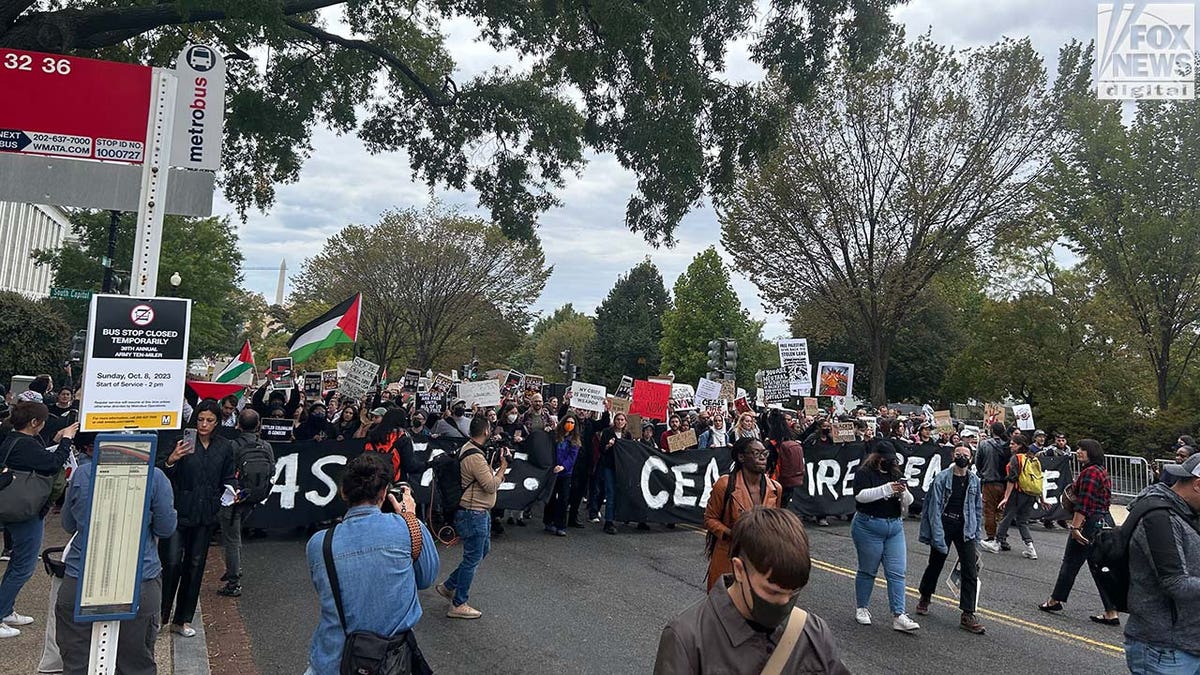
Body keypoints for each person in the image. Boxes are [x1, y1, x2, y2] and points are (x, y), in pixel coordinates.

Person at [654, 507, 851, 675]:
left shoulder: (814, 632)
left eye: (793, 593)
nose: (784, 603)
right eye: (772, 592)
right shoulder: (687, 637)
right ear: (739, 570)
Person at [304, 453, 438, 675]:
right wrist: (410, 516)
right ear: (385, 493)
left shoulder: (319, 544)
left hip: (334, 659)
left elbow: (324, 589)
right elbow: (427, 577)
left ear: (343, 492)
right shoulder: (408, 528)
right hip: (391, 661)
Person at [55, 436, 177, 673]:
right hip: (138, 577)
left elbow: (68, 524)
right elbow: (166, 528)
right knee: (135, 663)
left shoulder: (83, 474)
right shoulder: (156, 477)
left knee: (77, 661)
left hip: (82, 577)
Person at [160, 399, 236, 638]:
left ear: (217, 423)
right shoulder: (181, 440)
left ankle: (181, 619)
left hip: (205, 513)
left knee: (195, 566)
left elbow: (228, 476)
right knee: (171, 563)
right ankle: (160, 616)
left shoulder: (224, 446)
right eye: (201, 419)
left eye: (210, 421)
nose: (204, 425)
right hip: (179, 510)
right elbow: (162, 471)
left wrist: (232, 492)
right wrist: (172, 459)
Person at [0, 402, 77, 639]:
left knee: (18, 563)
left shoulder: (12, 440)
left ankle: (6, 609)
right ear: (34, 423)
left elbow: (41, 457)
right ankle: (1, 612)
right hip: (25, 512)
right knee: (23, 566)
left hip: (13, 506)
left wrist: (56, 439)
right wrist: (66, 441)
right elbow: (53, 463)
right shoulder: (25, 444)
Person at [1123, 454, 1200, 674]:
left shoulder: (1190, 512)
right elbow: (1175, 582)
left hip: (1189, 642)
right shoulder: (1159, 518)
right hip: (1165, 648)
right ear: (1198, 485)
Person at [1037, 439, 1119, 624]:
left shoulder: (1089, 472)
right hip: (1105, 521)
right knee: (1099, 567)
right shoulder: (1101, 471)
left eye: (1083, 449)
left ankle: (1055, 600)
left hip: (1089, 523)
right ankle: (1111, 610)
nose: (1078, 451)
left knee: (1070, 563)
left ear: (1092, 452)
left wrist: (1075, 527)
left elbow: (1084, 503)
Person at [435, 415, 509, 619]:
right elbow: (490, 485)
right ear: (486, 431)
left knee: (482, 550)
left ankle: (449, 585)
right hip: (473, 512)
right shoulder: (475, 456)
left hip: (478, 511)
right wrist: (503, 467)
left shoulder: (470, 448)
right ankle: (459, 603)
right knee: (472, 558)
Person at [850, 425, 919, 632]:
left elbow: (910, 500)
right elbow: (860, 496)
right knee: (868, 570)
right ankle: (862, 607)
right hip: (868, 525)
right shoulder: (864, 473)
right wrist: (887, 489)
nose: (890, 462)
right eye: (887, 459)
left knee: (897, 572)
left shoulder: (895, 473)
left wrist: (902, 492)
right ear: (878, 458)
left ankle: (899, 614)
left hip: (894, 526)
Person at [916, 444, 986, 634]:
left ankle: (967, 613)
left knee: (970, 570)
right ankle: (925, 595)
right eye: (958, 454)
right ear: (953, 456)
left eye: (966, 455)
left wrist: (976, 534)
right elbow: (934, 509)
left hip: (965, 528)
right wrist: (938, 536)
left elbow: (977, 509)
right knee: (936, 563)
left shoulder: (974, 480)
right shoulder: (941, 479)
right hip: (945, 525)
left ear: (970, 459)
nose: (962, 457)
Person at [704, 438, 782, 590]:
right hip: (729, 557)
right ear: (741, 457)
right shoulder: (725, 484)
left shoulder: (775, 488)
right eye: (756, 453)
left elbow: (775, 523)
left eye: (764, 453)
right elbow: (709, 519)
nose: (763, 457)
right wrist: (732, 534)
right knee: (724, 606)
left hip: (761, 560)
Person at [217, 409, 276, 598]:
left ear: (238, 425)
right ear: (258, 425)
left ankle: (233, 581)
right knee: (235, 536)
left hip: (233, 499)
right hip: (253, 497)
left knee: (232, 540)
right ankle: (234, 567)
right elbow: (272, 470)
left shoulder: (232, 446)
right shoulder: (266, 446)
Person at [984, 432, 1044, 559]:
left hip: (1018, 493)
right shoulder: (1033, 458)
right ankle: (1030, 548)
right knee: (1023, 521)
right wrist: (1042, 498)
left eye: (1013, 444)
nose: (1010, 446)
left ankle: (996, 542)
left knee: (1006, 517)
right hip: (1031, 494)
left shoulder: (1016, 459)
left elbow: (1012, 479)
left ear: (1019, 446)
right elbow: (1039, 478)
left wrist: (1006, 497)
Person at [544, 414, 582, 537]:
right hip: (553, 471)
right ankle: (549, 521)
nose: (570, 424)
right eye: (568, 421)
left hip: (565, 473)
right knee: (551, 497)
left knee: (563, 499)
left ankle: (560, 525)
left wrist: (563, 466)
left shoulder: (574, 440)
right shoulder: (556, 436)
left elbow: (572, 457)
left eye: (572, 422)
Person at [974, 422, 1010, 551]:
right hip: (1005, 482)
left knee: (989, 510)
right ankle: (1002, 538)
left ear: (991, 430)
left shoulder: (984, 444)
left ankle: (991, 536)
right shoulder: (1009, 445)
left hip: (990, 480)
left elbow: (977, 462)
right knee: (1002, 511)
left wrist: (982, 472)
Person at [598, 412, 632, 534]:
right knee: (610, 493)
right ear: (614, 420)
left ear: (625, 422)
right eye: (617, 419)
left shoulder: (627, 435)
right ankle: (609, 521)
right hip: (609, 466)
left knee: (620, 492)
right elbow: (601, 449)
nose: (620, 422)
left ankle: (619, 515)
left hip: (621, 468)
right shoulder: (607, 432)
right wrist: (608, 445)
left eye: (622, 419)